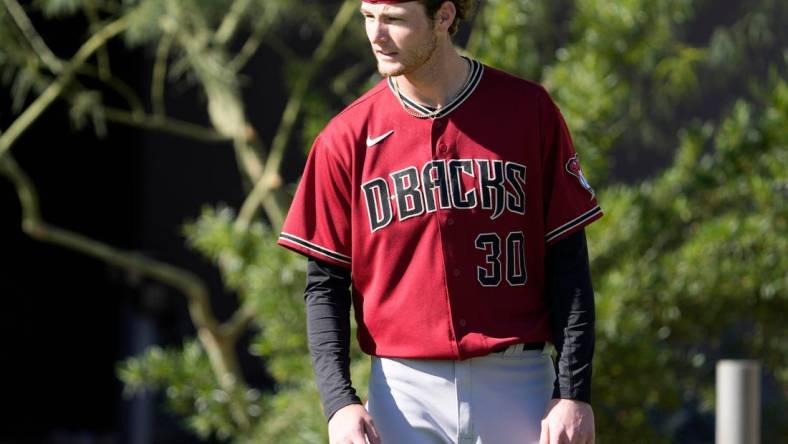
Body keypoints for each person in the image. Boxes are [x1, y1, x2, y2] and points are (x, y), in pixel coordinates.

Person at [277, 1, 601, 443]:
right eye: (367, 16)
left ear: (444, 17)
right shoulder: (345, 137)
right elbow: (324, 286)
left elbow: (569, 264)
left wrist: (573, 392)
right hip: (402, 389)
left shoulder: (528, 111)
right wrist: (339, 404)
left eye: (393, 19)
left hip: (518, 380)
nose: (376, 34)